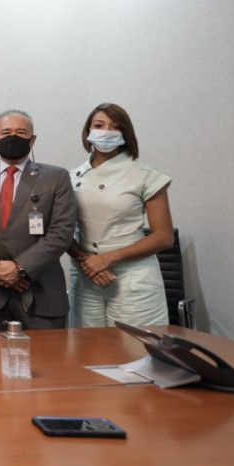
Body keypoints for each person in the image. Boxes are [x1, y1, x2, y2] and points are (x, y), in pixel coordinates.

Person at [0, 110, 76, 331]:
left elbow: (61, 232)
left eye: (21, 132)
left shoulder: (56, 178)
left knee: (48, 362)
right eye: (6, 132)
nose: (13, 137)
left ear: (32, 139)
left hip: (42, 293)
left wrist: (19, 268)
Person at [67, 103, 174, 327]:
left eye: (115, 127)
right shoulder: (69, 177)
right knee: (87, 351)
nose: (106, 132)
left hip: (133, 277)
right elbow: (60, 231)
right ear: (88, 132)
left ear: (125, 134)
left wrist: (105, 260)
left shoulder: (145, 175)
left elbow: (163, 237)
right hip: (87, 276)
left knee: (135, 351)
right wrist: (87, 262)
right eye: (99, 125)